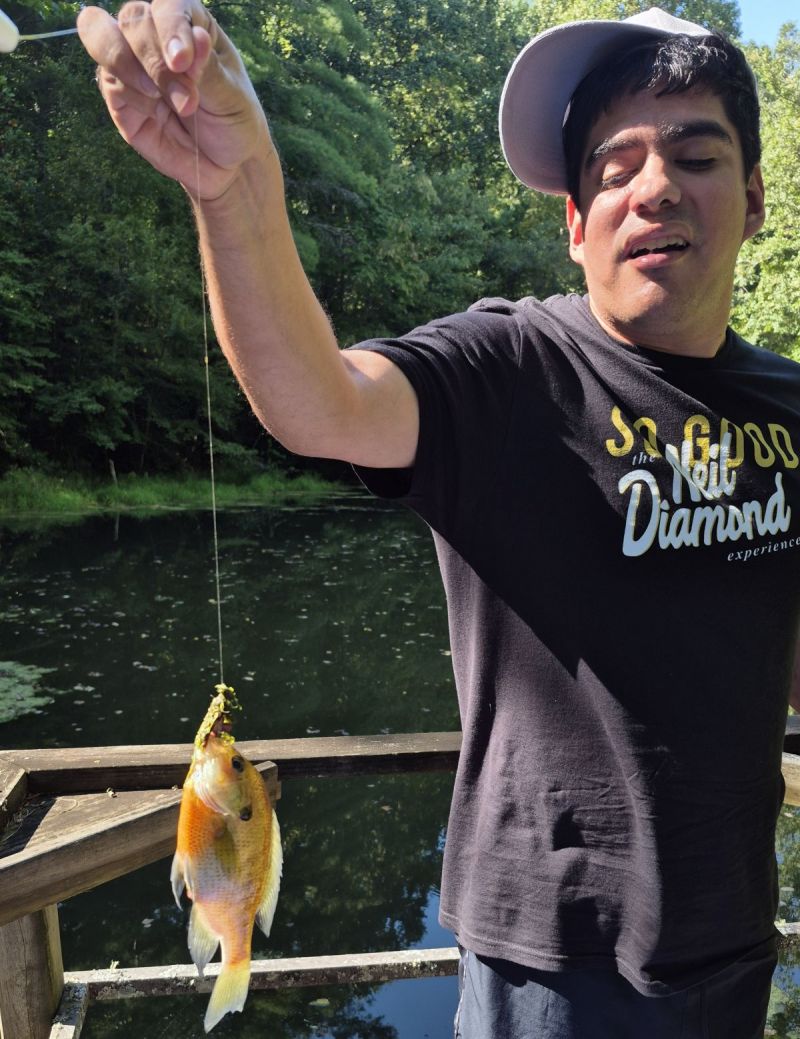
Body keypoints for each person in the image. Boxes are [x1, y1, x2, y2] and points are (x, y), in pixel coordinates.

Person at [78, 4, 800, 1036]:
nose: (652, 188)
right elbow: (318, 400)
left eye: (695, 154)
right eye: (611, 166)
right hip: (543, 961)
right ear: (571, 219)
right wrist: (236, 188)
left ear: (754, 197)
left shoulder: (788, 407)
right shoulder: (508, 370)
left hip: (728, 935)